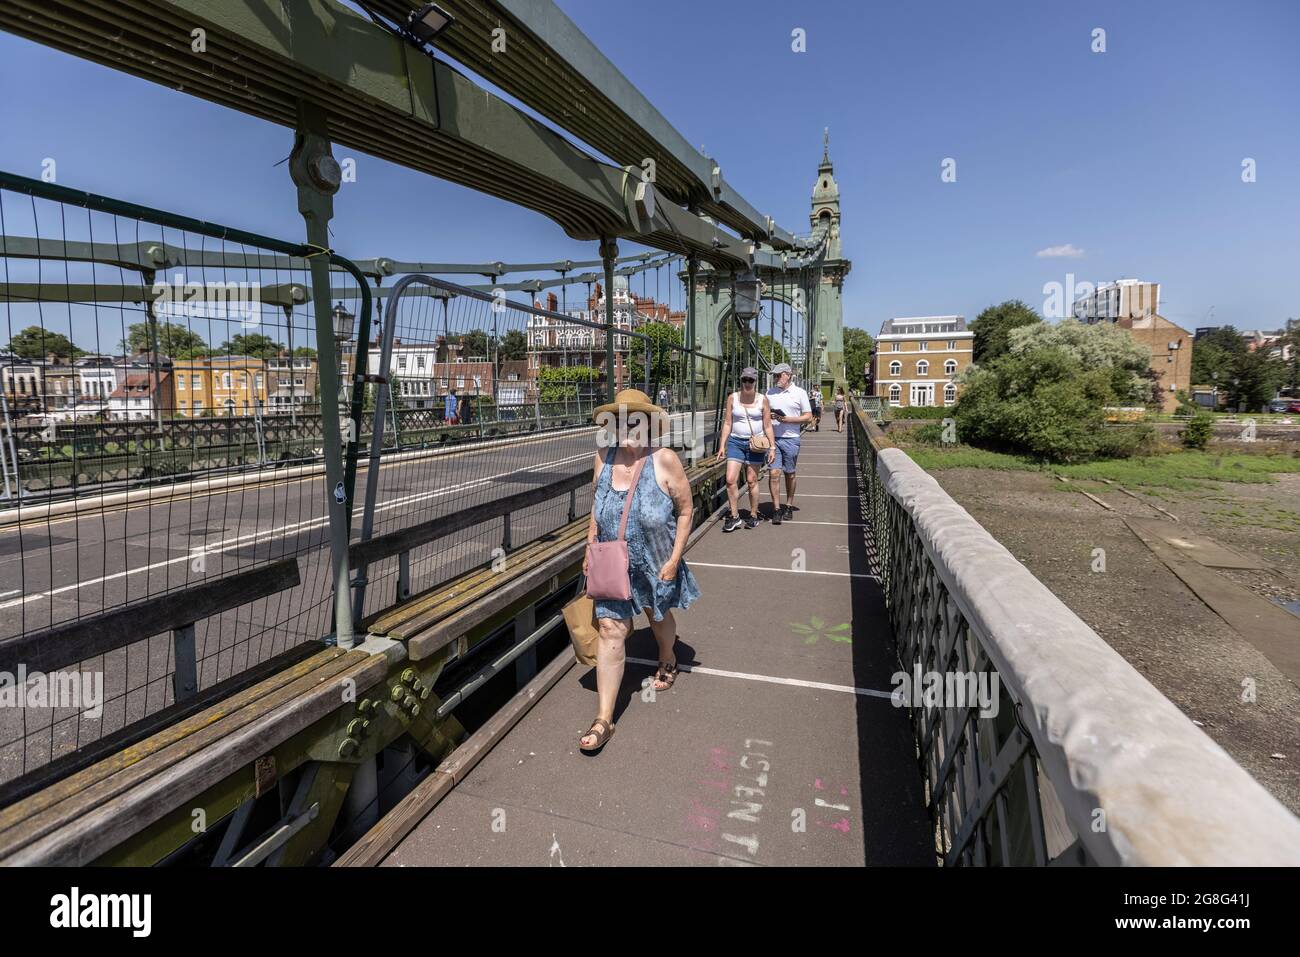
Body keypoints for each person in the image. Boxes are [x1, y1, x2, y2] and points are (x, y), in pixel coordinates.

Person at [580, 389, 700, 752]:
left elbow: (685, 510)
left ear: (649, 424)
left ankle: (667, 656)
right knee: (610, 630)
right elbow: (596, 506)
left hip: (655, 559)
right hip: (613, 561)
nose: (629, 425)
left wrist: (675, 558)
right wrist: (589, 545)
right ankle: (604, 718)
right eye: (621, 419)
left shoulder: (664, 460)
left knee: (657, 616)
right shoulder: (603, 457)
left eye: (637, 419)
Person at [714, 366, 776, 531]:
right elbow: (727, 423)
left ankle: (753, 515)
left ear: (755, 381)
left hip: (755, 444)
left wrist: (772, 447)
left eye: (751, 380)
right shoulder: (732, 398)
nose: (747, 383)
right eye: (744, 380)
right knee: (730, 479)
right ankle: (734, 516)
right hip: (735, 442)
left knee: (751, 480)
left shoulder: (762, 399)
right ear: (740, 380)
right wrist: (722, 446)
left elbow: (768, 425)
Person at [764, 363, 812, 525]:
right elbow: (763, 414)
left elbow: (808, 417)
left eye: (779, 375)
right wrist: (769, 416)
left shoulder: (800, 393)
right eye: (775, 375)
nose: (776, 378)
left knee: (790, 473)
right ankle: (777, 509)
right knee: (774, 473)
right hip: (773, 440)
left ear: (788, 375)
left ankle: (789, 505)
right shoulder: (769, 393)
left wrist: (788, 419)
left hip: (791, 438)